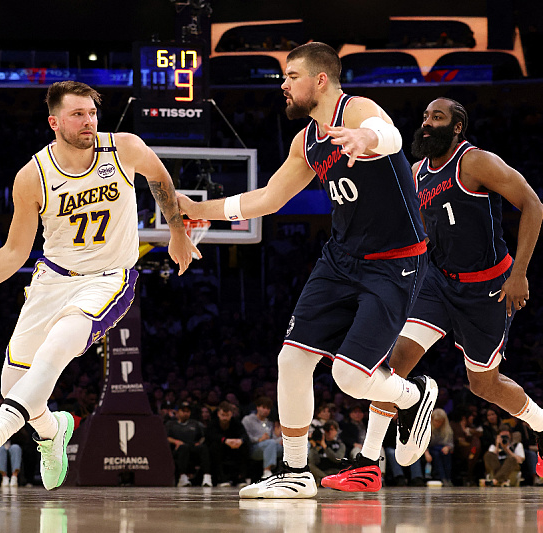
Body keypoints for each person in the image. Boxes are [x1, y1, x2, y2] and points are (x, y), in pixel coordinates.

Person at [180, 42, 438, 499]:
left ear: (320, 80)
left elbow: (390, 133)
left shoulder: (356, 109)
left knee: (349, 377)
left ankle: (411, 394)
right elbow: (268, 198)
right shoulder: (307, 140)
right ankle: (296, 473)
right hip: (340, 259)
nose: (283, 83)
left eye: (292, 75)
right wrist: (204, 210)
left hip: (395, 261)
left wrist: (368, 139)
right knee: (292, 360)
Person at [0, 81, 199, 492]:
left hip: (110, 278)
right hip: (52, 279)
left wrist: (177, 232)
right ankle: (52, 431)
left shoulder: (123, 148)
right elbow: (14, 251)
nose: (88, 122)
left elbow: (160, 178)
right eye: (78, 115)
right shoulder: (32, 176)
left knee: (55, 352)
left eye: (92, 113)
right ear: (54, 122)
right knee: (13, 387)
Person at [322, 97, 543, 492]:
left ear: (456, 128)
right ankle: (368, 463)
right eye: (424, 116)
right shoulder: (417, 172)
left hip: (488, 286)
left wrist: (520, 273)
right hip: (438, 283)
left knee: (483, 385)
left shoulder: (475, 162)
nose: (427, 123)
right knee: (392, 362)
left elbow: (533, 205)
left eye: (437, 117)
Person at [205, 401, 250, 487]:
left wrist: (240, 441)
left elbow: (245, 435)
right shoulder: (213, 423)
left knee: (245, 446)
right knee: (215, 446)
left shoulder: (236, 423)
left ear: (231, 414)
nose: (225, 418)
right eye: (223, 415)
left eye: (227, 415)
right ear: (218, 413)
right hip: (218, 448)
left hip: (234, 448)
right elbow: (210, 436)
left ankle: (241, 477)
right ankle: (222, 478)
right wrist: (225, 440)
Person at [165, 401, 210, 487]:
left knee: (203, 448)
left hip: (192, 448)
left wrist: (199, 443)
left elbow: (203, 437)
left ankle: (207, 476)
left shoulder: (195, 424)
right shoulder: (170, 424)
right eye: (183, 411)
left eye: (188, 411)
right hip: (178, 449)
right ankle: (182, 477)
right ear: (178, 412)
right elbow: (165, 437)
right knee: (183, 448)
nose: (186, 413)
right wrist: (175, 441)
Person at [241, 396, 283, 481]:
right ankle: (267, 471)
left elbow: (273, 438)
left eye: (268, 408)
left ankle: (292, 471)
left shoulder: (269, 423)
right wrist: (259, 439)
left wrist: (282, 440)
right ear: (257, 407)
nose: (266, 410)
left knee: (288, 447)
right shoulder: (248, 420)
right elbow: (244, 436)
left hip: (269, 446)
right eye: (263, 407)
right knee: (270, 443)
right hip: (253, 447)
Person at [425, 408, 454, 486]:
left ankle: (448, 478)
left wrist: (447, 447)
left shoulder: (448, 430)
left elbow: (451, 443)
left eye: (440, 422)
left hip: (442, 449)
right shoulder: (427, 428)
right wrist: (426, 453)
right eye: (436, 421)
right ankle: (442, 478)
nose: (438, 423)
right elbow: (423, 444)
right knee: (436, 455)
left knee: (446, 455)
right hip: (430, 449)